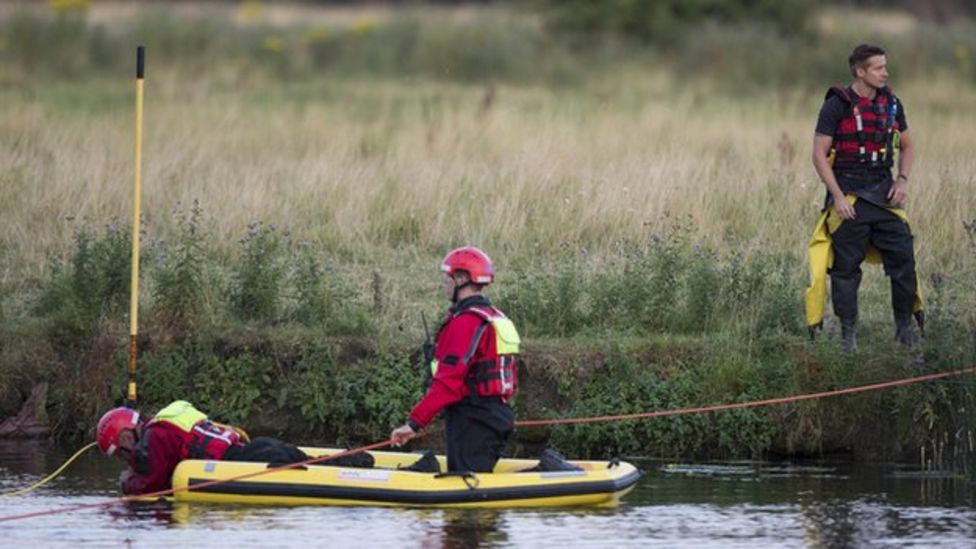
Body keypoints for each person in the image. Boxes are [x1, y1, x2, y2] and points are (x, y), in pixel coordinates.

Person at [810, 43, 922, 351]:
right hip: (849, 196)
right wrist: (838, 197)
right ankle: (848, 336)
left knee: (903, 259)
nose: (885, 72)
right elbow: (819, 155)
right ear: (861, 72)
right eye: (878, 68)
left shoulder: (893, 104)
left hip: (884, 195)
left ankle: (903, 330)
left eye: (885, 66)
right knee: (845, 269)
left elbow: (909, 145)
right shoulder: (837, 104)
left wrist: (902, 180)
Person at [390, 246, 520, 473]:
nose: (445, 284)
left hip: (474, 420)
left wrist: (414, 424)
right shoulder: (495, 317)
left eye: (448, 279)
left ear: (461, 279)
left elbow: (448, 384)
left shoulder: (465, 323)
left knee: (467, 489)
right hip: (497, 415)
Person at [97, 400, 370, 495]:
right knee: (306, 461)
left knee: (305, 466)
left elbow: (152, 482)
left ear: (125, 435)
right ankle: (357, 460)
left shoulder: (154, 438)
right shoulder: (167, 419)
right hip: (250, 450)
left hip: (243, 461)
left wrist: (127, 484)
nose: (125, 456)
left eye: (121, 449)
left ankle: (359, 465)